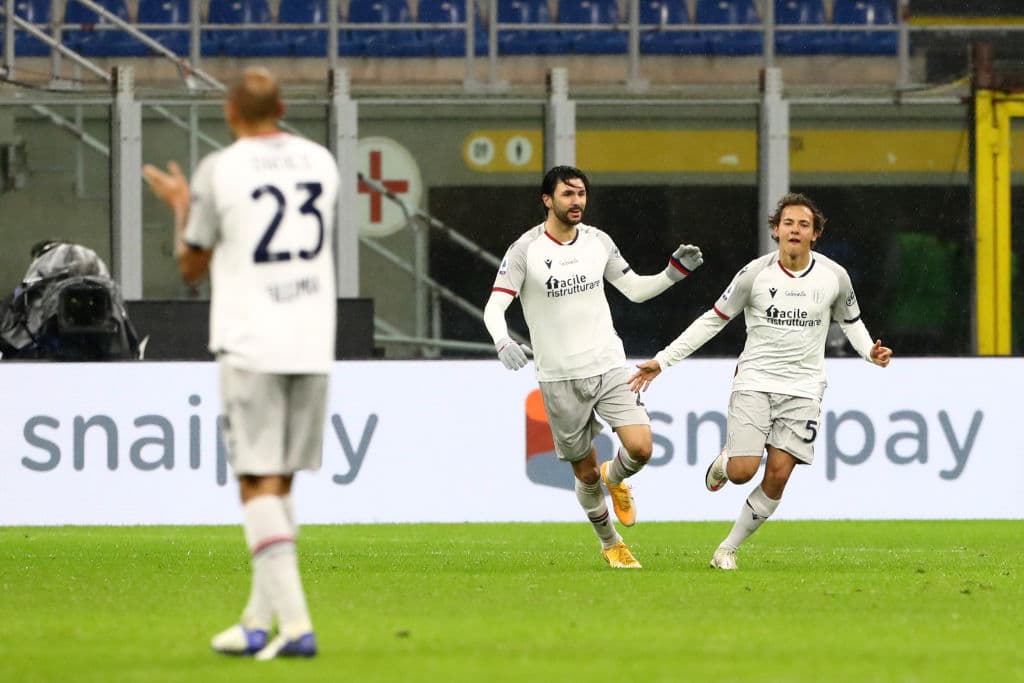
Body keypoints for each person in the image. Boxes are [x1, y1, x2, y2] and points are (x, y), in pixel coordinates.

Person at [142, 66, 340, 659]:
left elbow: (191, 266)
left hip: (252, 340)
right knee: (279, 483)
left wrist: (181, 205)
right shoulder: (322, 162)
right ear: (283, 107)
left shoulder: (220, 169)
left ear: (230, 113)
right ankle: (257, 622)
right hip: (313, 337)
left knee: (255, 482)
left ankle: (297, 628)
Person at [628, 192, 893, 571]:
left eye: (804, 225)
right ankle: (727, 460)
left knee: (779, 475)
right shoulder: (754, 274)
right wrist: (663, 360)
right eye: (789, 223)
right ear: (776, 230)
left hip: (804, 390)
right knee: (742, 472)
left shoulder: (835, 276)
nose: (795, 230)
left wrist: (869, 352)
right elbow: (713, 319)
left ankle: (727, 549)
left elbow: (851, 322)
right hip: (755, 382)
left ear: (815, 233)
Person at [483, 165, 703, 569]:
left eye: (581, 193)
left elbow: (634, 290)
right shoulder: (525, 250)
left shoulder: (598, 241)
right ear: (547, 200)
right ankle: (611, 543)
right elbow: (495, 306)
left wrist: (672, 275)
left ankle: (615, 477)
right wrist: (502, 340)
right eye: (567, 194)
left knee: (641, 447)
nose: (577, 201)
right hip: (558, 377)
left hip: (608, 364)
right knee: (585, 474)